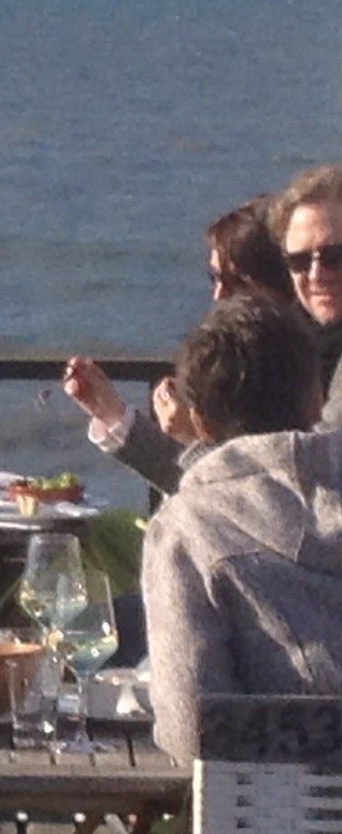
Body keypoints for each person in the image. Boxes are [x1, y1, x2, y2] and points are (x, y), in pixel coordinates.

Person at [142, 294, 342, 761]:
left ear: (199, 424)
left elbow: (190, 731)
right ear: (316, 399)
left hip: (275, 825)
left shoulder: (188, 531)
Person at [63, 195, 291, 496]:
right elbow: (200, 489)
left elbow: (254, 506)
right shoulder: (250, 361)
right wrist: (112, 414)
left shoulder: (301, 373)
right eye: (213, 278)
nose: (219, 295)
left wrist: (194, 439)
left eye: (235, 281)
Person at [268, 161, 342, 423]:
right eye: (299, 261)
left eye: (333, 256)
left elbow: (320, 457)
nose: (316, 275)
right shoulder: (281, 350)